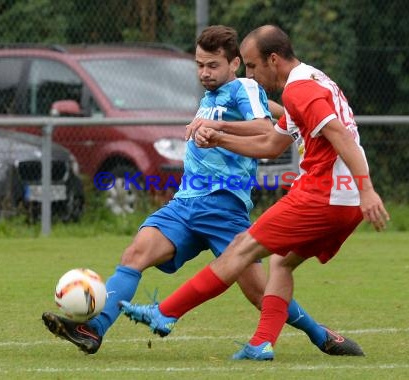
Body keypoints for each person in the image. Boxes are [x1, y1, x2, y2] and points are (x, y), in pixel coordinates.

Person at [42, 25, 363, 357]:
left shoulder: (244, 88)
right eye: (199, 65)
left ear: (234, 64)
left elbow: (264, 128)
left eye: (213, 65)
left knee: (259, 292)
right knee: (135, 255)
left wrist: (220, 127)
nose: (205, 73)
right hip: (185, 203)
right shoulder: (211, 97)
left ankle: (319, 334)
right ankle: (92, 329)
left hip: (223, 207)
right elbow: (277, 116)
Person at [120, 24, 390, 361]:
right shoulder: (314, 79)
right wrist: (218, 135)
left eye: (251, 66)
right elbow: (271, 144)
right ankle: (262, 343)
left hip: (323, 194)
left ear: (273, 60)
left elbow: (339, 135)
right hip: (343, 201)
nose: (249, 74)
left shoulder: (299, 90)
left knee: (241, 249)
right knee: (281, 263)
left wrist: (368, 190)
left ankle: (167, 312)